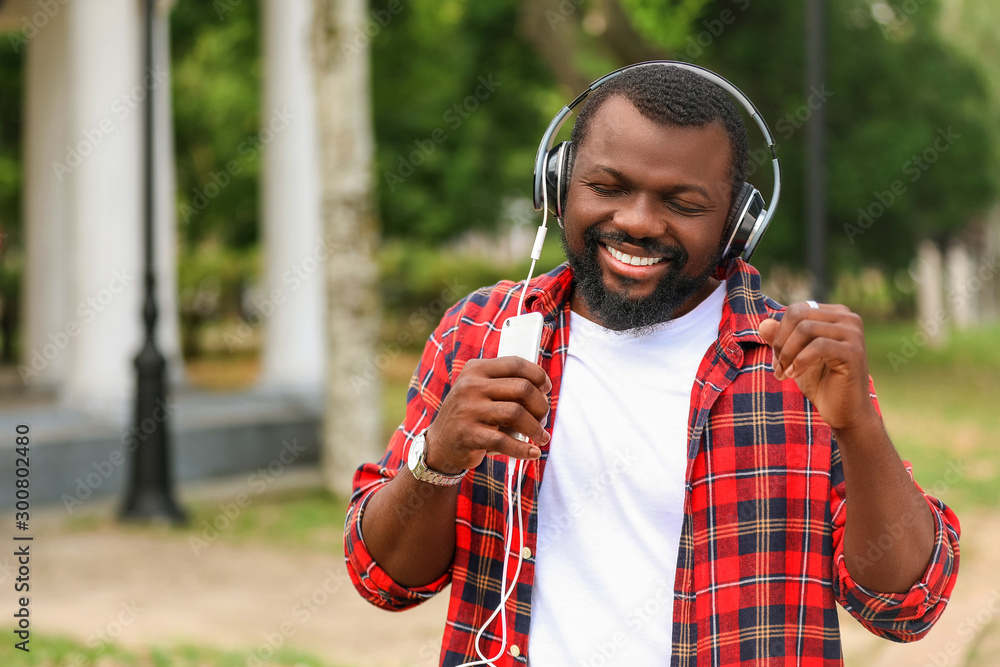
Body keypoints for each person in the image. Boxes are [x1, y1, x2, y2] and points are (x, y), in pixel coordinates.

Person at [344, 63, 960, 666]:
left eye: (683, 203)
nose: (636, 222)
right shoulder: (481, 332)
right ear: (557, 185)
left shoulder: (798, 362)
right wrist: (439, 460)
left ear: (737, 224)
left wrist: (859, 430)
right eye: (607, 188)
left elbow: (907, 606)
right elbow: (385, 580)